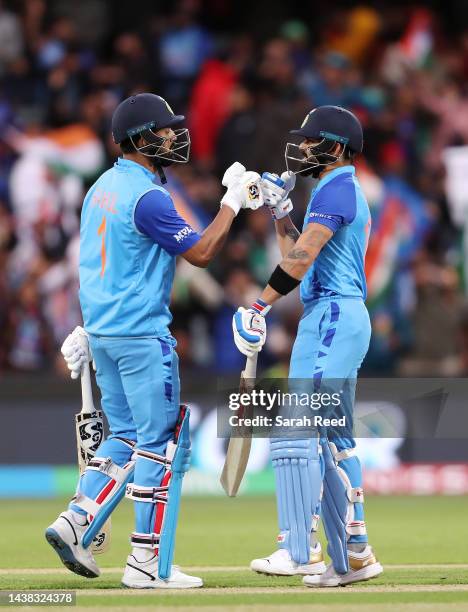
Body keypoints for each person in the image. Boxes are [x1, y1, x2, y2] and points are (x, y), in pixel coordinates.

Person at [45, 93, 262, 589]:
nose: (173, 138)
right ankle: (145, 564)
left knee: (123, 440)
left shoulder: (100, 187)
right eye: (164, 131)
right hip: (142, 337)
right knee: (160, 447)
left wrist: (86, 325)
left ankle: (75, 521)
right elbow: (204, 252)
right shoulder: (148, 197)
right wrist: (231, 203)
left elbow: (99, 263)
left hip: (103, 335)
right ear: (141, 139)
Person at [232, 105, 383, 587]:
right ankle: (353, 555)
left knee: (297, 429)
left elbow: (302, 258)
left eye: (310, 141)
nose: (300, 149)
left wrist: (259, 305)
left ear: (335, 148)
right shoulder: (335, 190)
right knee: (334, 436)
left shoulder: (337, 187)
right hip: (337, 314)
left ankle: (298, 549)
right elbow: (299, 254)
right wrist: (281, 213)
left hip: (333, 316)